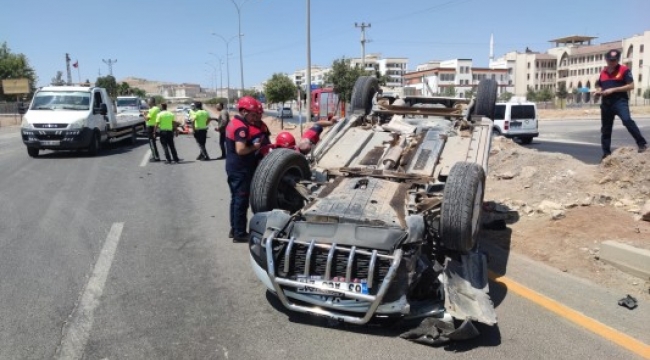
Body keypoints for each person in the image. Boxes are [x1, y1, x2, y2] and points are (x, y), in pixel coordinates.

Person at [225, 96, 268, 242]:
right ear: (244, 111)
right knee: (241, 201)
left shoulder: (234, 122)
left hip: (233, 167)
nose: (254, 117)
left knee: (235, 199)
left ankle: (234, 228)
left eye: (256, 115)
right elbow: (241, 150)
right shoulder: (242, 128)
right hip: (240, 169)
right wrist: (254, 147)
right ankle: (240, 234)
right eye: (253, 114)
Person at [595, 49, 647, 159]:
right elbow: (599, 85)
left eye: (614, 60)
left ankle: (642, 143)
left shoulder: (624, 70)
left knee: (627, 120)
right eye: (609, 60)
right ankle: (606, 153)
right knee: (606, 128)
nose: (611, 62)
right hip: (606, 103)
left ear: (618, 60)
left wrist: (613, 90)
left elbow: (631, 86)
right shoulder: (603, 72)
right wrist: (598, 91)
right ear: (606, 59)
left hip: (620, 101)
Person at [144, 97, 161, 162]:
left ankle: (156, 157)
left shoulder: (152, 110)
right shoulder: (157, 109)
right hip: (156, 126)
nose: (147, 103)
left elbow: (147, 119)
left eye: (148, 102)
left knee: (152, 143)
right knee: (153, 142)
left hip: (150, 127)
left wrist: (144, 115)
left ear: (152, 102)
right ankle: (156, 156)